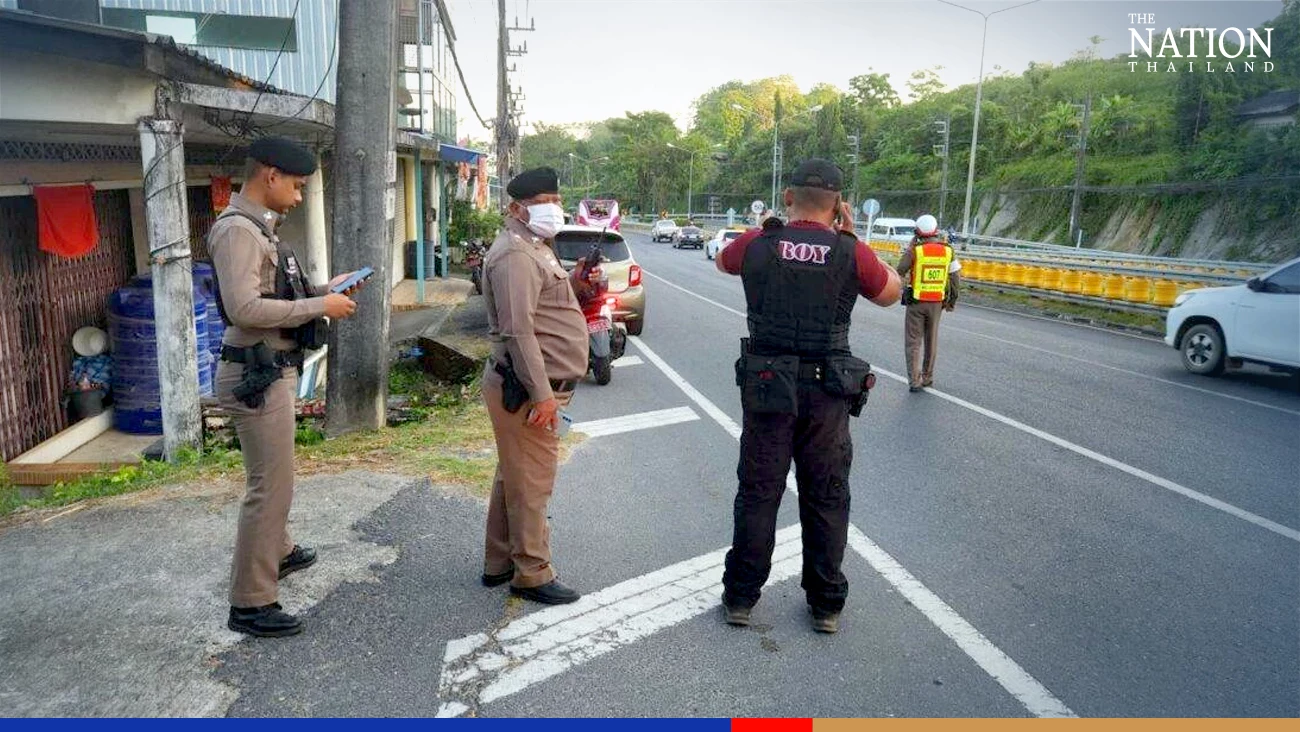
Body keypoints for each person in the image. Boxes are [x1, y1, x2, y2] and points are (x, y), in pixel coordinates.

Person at [715, 159, 901, 634]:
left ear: (787, 196)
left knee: (758, 493)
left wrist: (768, 228)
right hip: (827, 392)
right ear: (840, 205)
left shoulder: (759, 242)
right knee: (826, 495)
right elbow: (891, 293)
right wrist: (854, 238)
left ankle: (740, 597)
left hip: (767, 387)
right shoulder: (849, 251)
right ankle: (826, 606)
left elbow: (723, 260)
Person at [209, 136, 363, 637]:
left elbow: (277, 294)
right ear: (270, 176)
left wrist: (325, 290)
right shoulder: (237, 231)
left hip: (271, 368)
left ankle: (280, 550)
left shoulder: (259, 229)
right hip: (256, 372)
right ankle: (251, 604)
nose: (299, 196)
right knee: (269, 487)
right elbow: (245, 309)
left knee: (276, 477)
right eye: (296, 186)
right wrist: (320, 308)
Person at [480, 166, 601, 605]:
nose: (553, 209)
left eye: (555, 200)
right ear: (516, 208)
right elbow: (517, 331)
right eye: (543, 202)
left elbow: (543, 303)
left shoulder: (535, 246)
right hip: (529, 388)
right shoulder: (515, 253)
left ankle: (499, 562)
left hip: (538, 384)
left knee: (514, 475)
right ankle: (531, 571)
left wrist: (576, 286)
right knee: (532, 482)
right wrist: (543, 396)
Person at [895, 214, 961, 392]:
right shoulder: (948, 251)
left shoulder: (914, 251)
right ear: (935, 231)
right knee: (931, 341)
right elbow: (955, 278)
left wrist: (910, 248)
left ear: (917, 232)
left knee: (913, 342)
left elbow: (900, 270)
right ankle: (927, 378)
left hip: (916, 303)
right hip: (937, 303)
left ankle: (914, 381)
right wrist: (952, 301)